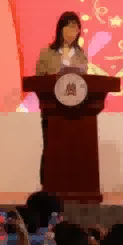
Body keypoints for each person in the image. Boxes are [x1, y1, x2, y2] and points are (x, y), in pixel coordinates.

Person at [35, 12, 88, 184]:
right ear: (60, 29)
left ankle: (73, 184)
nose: (72, 32)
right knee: (51, 148)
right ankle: (48, 186)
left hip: (76, 111)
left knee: (74, 149)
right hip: (52, 111)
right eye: (69, 27)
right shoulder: (47, 53)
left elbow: (85, 83)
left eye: (76, 28)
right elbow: (38, 81)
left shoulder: (81, 55)